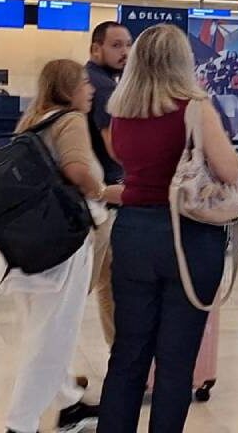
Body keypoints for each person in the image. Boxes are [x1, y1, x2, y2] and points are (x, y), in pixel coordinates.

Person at [101, 24, 238, 433]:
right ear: (183, 61)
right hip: (188, 238)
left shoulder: (121, 111)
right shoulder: (194, 107)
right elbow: (228, 169)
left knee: (128, 355)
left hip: (132, 233)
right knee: (175, 363)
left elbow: (129, 166)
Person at [2, 60, 124, 433]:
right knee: (52, 336)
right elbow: (76, 169)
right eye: (84, 83)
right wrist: (102, 191)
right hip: (62, 245)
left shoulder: (33, 121)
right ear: (68, 88)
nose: (91, 89)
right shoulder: (70, 120)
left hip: (28, 244)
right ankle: (21, 423)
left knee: (42, 327)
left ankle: (69, 404)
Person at [85, 20, 133, 346]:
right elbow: (115, 147)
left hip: (94, 198)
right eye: (116, 45)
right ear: (95, 49)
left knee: (109, 282)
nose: (124, 52)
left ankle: (119, 354)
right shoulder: (103, 87)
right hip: (101, 201)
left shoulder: (90, 80)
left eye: (127, 45)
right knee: (91, 284)